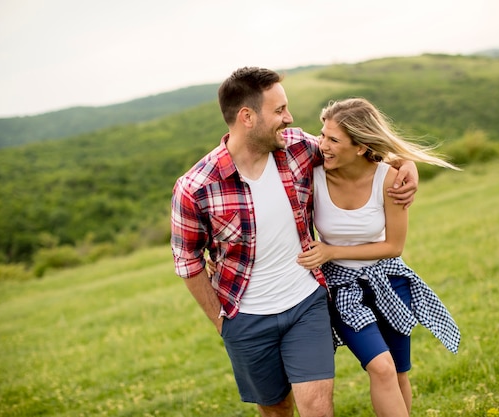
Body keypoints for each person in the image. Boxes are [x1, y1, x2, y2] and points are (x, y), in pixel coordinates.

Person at [170, 67, 419, 417]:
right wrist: (221, 322)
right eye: (279, 111)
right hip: (246, 317)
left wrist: (404, 163)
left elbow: (357, 150)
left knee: (318, 406)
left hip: (306, 303)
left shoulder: (298, 148)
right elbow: (188, 262)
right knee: (275, 409)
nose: (289, 118)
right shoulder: (196, 188)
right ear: (247, 117)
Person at [297, 98, 461, 417]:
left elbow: (393, 247)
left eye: (333, 140)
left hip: (389, 282)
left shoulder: (389, 180)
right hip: (345, 291)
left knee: (398, 372)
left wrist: (331, 251)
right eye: (322, 135)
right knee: (382, 368)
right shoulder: (312, 174)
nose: (322, 145)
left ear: (360, 146)